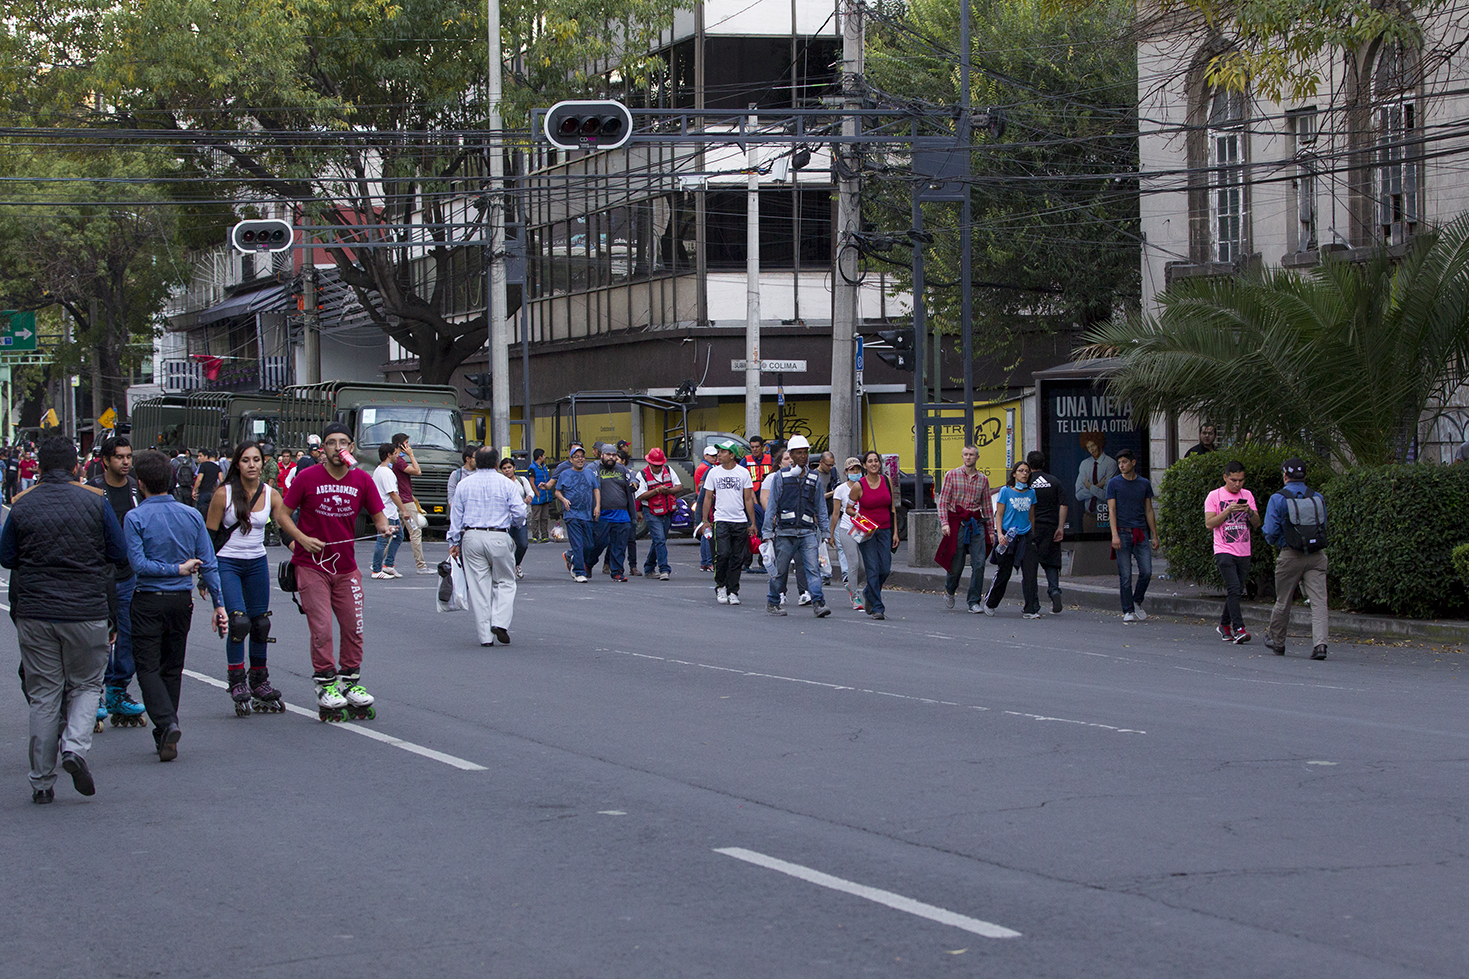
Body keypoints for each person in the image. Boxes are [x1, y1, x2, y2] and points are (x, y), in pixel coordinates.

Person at [1, 437, 127, 802]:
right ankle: (74, 748)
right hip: (86, 611)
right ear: (76, 467)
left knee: (44, 694)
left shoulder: (22, 505)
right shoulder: (95, 501)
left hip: (36, 613)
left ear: (38, 468)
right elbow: (118, 553)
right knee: (87, 685)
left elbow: (7, 557)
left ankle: (41, 781)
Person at [281, 423, 389, 720]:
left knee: (354, 626)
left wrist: (385, 528)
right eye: (331, 443)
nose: (337, 448)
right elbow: (281, 514)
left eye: (343, 442)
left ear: (351, 448)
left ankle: (350, 681)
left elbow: (378, 516)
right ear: (323, 449)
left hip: (346, 568)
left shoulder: (362, 480)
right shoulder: (307, 477)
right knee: (322, 628)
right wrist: (301, 538)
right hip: (311, 566)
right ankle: (325, 683)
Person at [125, 449, 227, 762]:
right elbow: (209, 563)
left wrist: (174, 569)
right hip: (181, 602)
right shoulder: (191, 515)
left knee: (147, 668)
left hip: (148, 599)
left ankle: (167, 722)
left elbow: (138, 564)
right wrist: (219, 604)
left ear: (140, 484)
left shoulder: (136, 517)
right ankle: (165, 734)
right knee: (172, 668)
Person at [206, 440, 314, 714]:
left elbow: (285, 529)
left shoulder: (271, 494)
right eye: (246, 460)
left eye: (256, 460)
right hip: (227, 562)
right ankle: (236, 679)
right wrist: (203, 576)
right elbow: (208, 537)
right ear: (237, 464)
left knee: (260, 624)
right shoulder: (224, 494)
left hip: (256, 563)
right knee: (239, 622)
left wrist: (303, 552)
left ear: (263, 462)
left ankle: (259, 679)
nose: (252, 465)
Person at [86, 436, 147, 728]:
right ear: (106, 461)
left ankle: (117, 690)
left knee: (129, 635)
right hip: (99, 575)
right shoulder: (94, 490)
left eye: (128, 456)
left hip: (128, 575)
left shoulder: (136, 488)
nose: (125, 462)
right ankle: (92, 694)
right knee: (98, 637)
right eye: (120, 457)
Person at [449, 447, 527, 646]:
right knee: (505, 581)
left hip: (471, 536)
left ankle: (485, 637)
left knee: (478, 587)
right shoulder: (506, 483)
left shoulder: (464, 484)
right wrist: (515, 524)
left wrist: (454, 542)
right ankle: (500, 622)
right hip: (499, 536)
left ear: (476, 462)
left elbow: (456, 516)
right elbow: (519, 512)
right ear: (495, 463)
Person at [1263, 457, 1329, 660]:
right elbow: (1323, 525)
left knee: (1283, 600)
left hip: (1290, 555)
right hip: (1316, 555)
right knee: (1319, 602)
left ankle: (1278, 640)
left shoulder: (1278, 498)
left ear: (1285, 475)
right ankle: (1320, 645)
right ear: (1305, 475)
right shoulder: (1316, 497)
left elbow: (1271, 531)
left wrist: (1274, 540)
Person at [760, 435, 832, 617]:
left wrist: (825, 531)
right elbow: (772, 505)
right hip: (785, 532)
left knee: (813, 568)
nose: (803, 456)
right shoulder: (781, 477)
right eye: (798, 453)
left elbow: (820, 507)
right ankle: (773, 601)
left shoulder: (814, 478)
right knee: (780, 571)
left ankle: (818, 602)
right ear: (791, 455)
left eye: (805, 453)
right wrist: (767, 531)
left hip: (808, 532)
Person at [1204, 460, 1262, 643]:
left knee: (1236, 590)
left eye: (1241, 480)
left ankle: (1223, 624)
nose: (1237, 484)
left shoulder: (1248, 495)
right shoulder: (1214, 496)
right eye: (1233, 480)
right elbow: (1209, 523)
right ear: (1225, 477)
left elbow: (1257, 523)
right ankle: (1239, 627)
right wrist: (1227, 511)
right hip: (1224, 548)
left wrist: (1249, 512)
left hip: (1243, 549)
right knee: (1234, 588)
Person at [934, 445, 995, 614]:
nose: (968, 457)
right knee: (957, 563)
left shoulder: (983, 479)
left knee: (979, 563)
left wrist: (991, 530)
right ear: (962, 456)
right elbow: (943, 502)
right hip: (957, 522)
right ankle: (950, 589)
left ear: (977, 457)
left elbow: (987, 506)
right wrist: (944, 523)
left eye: (972, 455)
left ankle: (974, 601)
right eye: (966, 454)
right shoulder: (952, 475)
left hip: (976, 523)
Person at [700, 442, 757, 605]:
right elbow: (708, 498)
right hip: (721, 519)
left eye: (723, 452)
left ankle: (733, 590)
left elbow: (748, 499)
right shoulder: (713, 473)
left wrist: (752, 522)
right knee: (722, 554)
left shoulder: (743, 473)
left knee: (737, 557)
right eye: (718, 452)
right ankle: (721, 586)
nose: (719, 454)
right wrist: (705, 520)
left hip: (739, 520)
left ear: (732, 455)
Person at [1106, 449, 1158, 624]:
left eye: (1125, 462)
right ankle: (1127, 609)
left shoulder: (1143, 484)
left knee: (1147, 571)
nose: (1121, 466)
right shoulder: (1114, 484)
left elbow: (1149, 510)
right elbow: (1111, 510)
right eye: (1119, 463)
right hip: (1122, 531)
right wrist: (1114, 534)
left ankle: (1137, 600)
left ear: (1133, 463)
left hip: (1140, 532)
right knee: (1125, 574)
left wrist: (1155, 535)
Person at [849, 450, 900, 620]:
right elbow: (848, 507)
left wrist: (895, 533)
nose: (873, 464)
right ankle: (878, 607)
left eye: (876, 461)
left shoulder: (886, 481)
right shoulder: (859, 485)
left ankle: (869, 593)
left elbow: (892, 508)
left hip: (885, 530)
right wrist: (854, 514)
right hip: (866, 532)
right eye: (869, 461)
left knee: (884, 569)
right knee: (872, 568)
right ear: (864, 465)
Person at [982, 461, 1036, 616]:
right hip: (1008, 535)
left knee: (1030, 573)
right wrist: (999, 534)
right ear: (1014, 474)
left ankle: (1030, 608)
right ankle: (991, 602)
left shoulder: (1031, 493)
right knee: (1004, 572)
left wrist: (1032, 533)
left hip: (1025, 536)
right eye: (1021, 471)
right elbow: (999, 514)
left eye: (1027, 471)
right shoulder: (1005, 492)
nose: (1024, 474)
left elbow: (1031, 516)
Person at [761, 448, 813, 605]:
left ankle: (804, 592)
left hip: (802, 526)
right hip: (782, 526)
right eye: (786, 459)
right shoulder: (774, 478)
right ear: (779, 462)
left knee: (802, 559)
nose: (790, 461)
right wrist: (773, 518)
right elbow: (765, 498)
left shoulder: (803, 477)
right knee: (782, 562)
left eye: (791, 458)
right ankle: (780, 592)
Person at [1021, 450, 1069, 617]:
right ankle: (1054, 590)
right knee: (1051, 562)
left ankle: (1033, 601)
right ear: (1043, 464)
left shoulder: (1025, 483)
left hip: (1030, 528)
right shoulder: (1054, 481)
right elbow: (1064, 504)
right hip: (1050, 527)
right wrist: (1060, 527)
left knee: (1030, 565)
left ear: (1028, 464)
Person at [584, 445, 635, 581]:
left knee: (619, 545)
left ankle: (617, 572)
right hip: (602, 513)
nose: (611, 457)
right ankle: (587, 564)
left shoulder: (621, 469)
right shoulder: (593, 469)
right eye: (608, 455)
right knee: (598, 543)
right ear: (602, 455)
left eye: (613, 455)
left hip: (622, 514)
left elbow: (633, 476)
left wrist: (635, 483)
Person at [554, 446, 598, 582]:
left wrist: (598, 506)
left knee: (589, 545)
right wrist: (563, 499)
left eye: (582, 456)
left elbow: (596, 489)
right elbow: (557, 491)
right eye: (577, 457)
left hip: (587, 514)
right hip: (571, 514)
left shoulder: (590, 473)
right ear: (571, 459)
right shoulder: (565, 474)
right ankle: (579, 572)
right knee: (578, 544)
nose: (580, 459)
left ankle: (571, 556)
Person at [636, 447, 680, 580]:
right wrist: (657, 491)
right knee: (659, 539)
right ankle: (664, 569)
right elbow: (640, 496)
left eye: (660, 465)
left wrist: (669, 491)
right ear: (649, 463)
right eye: (655, 466)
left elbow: (679, 486)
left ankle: (649, 567)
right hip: (650, 511)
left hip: (667, 511)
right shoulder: (641, 475)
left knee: (659, 540)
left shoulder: (668, 469)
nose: (658, 468)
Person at [390, 433, 430, 574]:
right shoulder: (400, 462)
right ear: (401, 445)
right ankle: (421, 566)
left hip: (404, 499)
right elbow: (417, 471)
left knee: (394, 533)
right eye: (407, 443)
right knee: (415, 531)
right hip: (405, 502)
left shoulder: (396, 461)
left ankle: (381, 562)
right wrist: (411, 455)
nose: (409, 446)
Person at [831, 457, 866, 610]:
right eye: (852, 470)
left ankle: (851, 584)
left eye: (857, 469)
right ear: (846, 472)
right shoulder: (840, 489)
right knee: (853, 563)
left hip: (863, 530)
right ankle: (855, 596)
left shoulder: (865, 486)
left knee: (863, 567)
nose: (855, 472)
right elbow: (835, 513)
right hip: (846, 529)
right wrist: (831, 533)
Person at [369, 443, 405, 580]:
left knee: (399, 536)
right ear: (389, 455)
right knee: (382, 541)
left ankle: (388, 564)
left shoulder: (380, 470)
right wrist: (404, 510)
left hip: (390, 511)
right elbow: (393, 494)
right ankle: (377, 569)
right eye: (396, 453)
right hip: (386, 512)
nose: (398, 456)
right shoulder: (385, 472)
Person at [498, 456, 534, 578]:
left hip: (520, 518)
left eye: (509, 467)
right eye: (504, 468)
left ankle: (516, 564)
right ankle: (506, 569)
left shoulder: (521, 480)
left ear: (514, 468)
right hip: (505, 519)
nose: (507, 470)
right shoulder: (500, 482)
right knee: (505, 546)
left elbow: (530, 492)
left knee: (522, 544)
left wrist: (528, 498)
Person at [743, 436, 774, 572]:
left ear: (762, 447)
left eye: (757, 446)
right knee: (750, 530)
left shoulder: (770, 460)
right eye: (752, 447)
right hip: (751, 499)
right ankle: (746, 561)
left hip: (767, 498)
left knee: (765, 531)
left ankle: (764, 561)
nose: (754, 449)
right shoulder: (746, 461)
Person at [1074, 431, 1117, 515]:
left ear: (1099, 444)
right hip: (1088, 516)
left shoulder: (1111, 464)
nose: (1091, 450)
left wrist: (1089, 487)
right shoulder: (1084, 464)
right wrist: (1098, 486)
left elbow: (1107, 496)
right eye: (1089, 447)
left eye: (1093, 445)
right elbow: (1078, 495)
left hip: (1105, 516)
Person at [693, 444, 718, 572]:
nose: (715, 458)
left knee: (706, 534)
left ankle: (706, 562)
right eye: (712, 456)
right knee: (708, 533)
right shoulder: (707, 469)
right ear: (705, 456)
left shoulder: (707, 468)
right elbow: (701, 488)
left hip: (705, 503)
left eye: (716, 456)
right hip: (708, 504)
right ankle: (708, 562)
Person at [528, 448, 554, 542]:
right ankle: (535, 536)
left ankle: (544, 536)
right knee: (536, 518)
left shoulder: (543, 467)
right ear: (540, 457)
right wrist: (537, 493)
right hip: (538, 498)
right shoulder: (532, 468)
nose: (545, 457)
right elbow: (531, 482)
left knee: (544, 517)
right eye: (543, 455)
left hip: (545, 496)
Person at [192, 447, 222, 514]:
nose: (198, 458)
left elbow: (199, 479)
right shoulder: (217, 467)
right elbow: (221, 480)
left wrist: (194, 490)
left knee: (200, 511)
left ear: (206, 457)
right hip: (213, 493)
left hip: (203, 492)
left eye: (200, 456)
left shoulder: (203, 465)